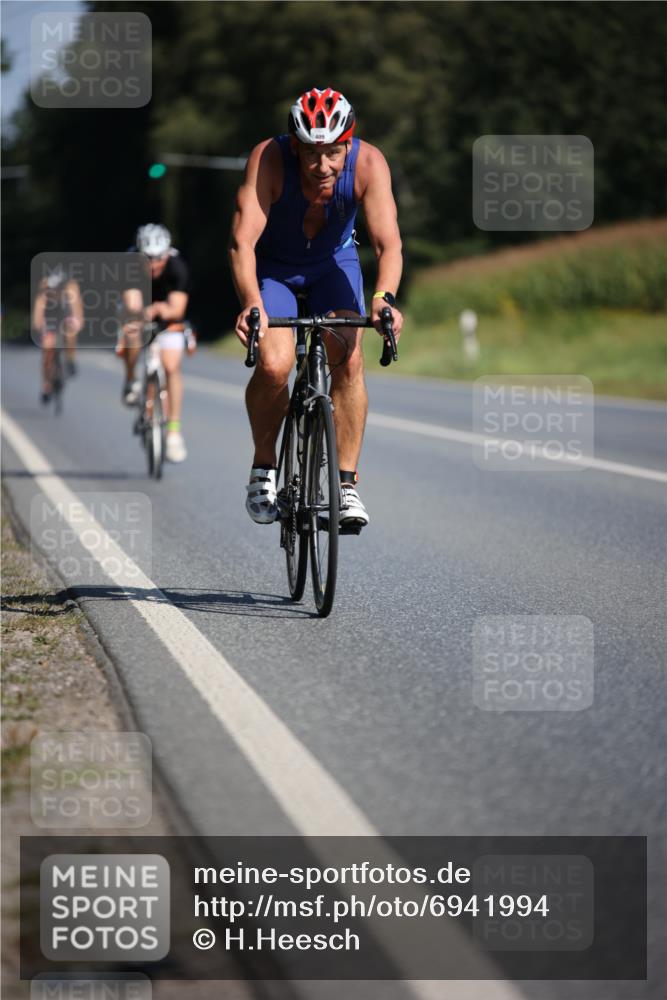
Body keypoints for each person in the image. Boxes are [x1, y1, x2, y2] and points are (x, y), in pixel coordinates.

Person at [229, 86, 403, 527]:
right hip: (275, 268)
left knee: (348, 356)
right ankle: (264, 467)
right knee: (274, 364)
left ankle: (345, 486)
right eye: (310, 153)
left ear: (348, 144)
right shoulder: (268, 159)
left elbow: (388, 244)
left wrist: (384, 300)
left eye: (332, 153)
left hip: (332, 265)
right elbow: (242, 241)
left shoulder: (368, 164)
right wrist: (253, 303)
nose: (321, 166)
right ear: (294, 145)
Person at [118, 224, 195, 463]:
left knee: (171, 366)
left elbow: (177, 309)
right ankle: (131, 379)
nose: (153, 264)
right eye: (148, 259)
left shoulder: (177, 266)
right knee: (131, 334)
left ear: (167, 253)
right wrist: (142, 316)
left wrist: (160, 309)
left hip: (167, 314)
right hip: (138, 308)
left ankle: (173, 432)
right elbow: (132, 304)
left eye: (158, 258)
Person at [32, 265, 84, 402]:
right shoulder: (44, 288)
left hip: (65, 316)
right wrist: (39, 325)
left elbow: (77, 308)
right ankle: (46, 384)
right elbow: (38, 311)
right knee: (47, 348)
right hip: (50, 318)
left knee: (70, 331)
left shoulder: (71, 287)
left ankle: (70, 359)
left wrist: (78, 321)